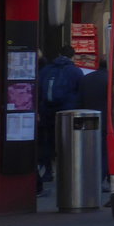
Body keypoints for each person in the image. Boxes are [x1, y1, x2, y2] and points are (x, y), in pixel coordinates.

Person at [37, 45, 83, 183]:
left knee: (48, 141)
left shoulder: (46, 70)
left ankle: (47, 172)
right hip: (68, 112)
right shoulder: (76, 71)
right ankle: (67, 172)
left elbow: (39, 91)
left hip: (47, 111)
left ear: (58, 54)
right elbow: (80, 92)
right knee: (67, 142)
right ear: (73, 56)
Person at [77, 58, 110, 185]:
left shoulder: (86, 78)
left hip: (88, 117)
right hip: (106, 119)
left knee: (90, 151)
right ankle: (101, 178)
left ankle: (90, 178)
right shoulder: (110, 79)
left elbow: (79, 98)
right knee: (104, 152)